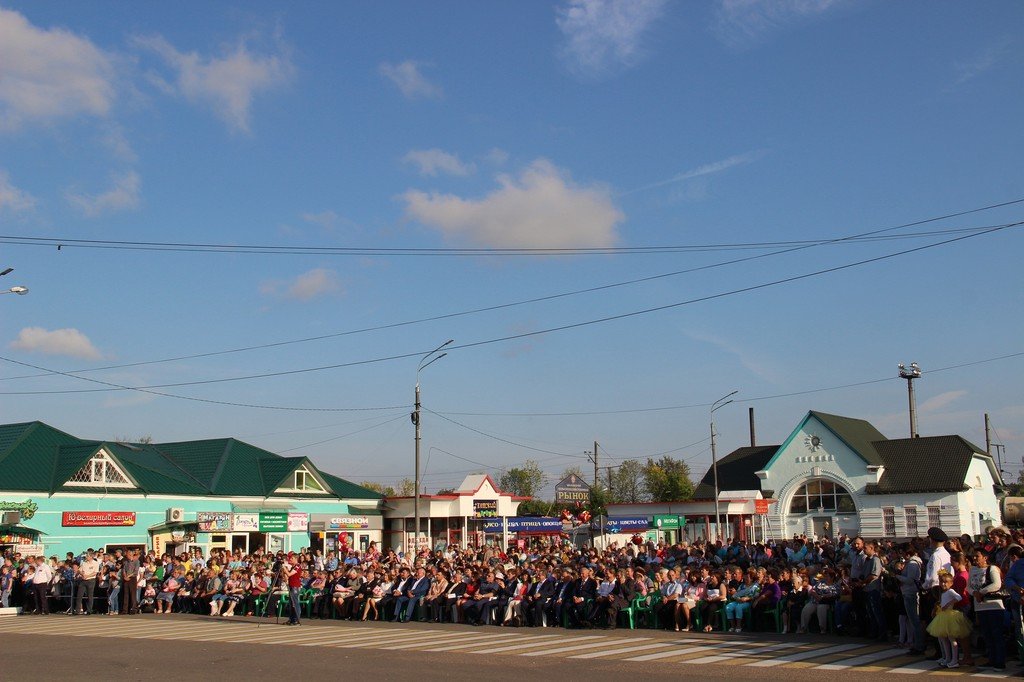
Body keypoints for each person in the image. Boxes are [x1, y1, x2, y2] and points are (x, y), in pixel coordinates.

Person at [968, 549, 1006, 672]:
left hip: (993, 606)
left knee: (996, 634)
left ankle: (999, 662)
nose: (975, 559)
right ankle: (991, 659)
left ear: (985, 557)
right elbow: (968, 586)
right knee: (987, 635)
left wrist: (981, 592)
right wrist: (974, 592)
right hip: (980, 606)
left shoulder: (992, 569)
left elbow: (996, 584)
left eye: (977, 556)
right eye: (973, 557)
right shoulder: (972, 569)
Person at [926, 572, 971, 669]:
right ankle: (947, 657)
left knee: (952, 639)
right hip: (943, 616)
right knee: (942, 638)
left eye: (946, 582)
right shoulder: (943, 592)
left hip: (950, 616)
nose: (943, 584)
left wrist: (950, 603)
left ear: (951, 583)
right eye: (942, 582)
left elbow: (959, 597)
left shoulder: (950, 591)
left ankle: (954, 660)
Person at [75, 549, 100, 615]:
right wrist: (82, 574)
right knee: (79, 595)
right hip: (83, 580)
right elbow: (79, 570)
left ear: (91, 557)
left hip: (91, 580)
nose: (86, 557)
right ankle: (77, 610)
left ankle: (89, 610)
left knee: (90, 596)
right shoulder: (84, 563)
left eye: (87, 556)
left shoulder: (95, 563)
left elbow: (95, 572)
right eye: (86, 556)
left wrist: (87, 576)